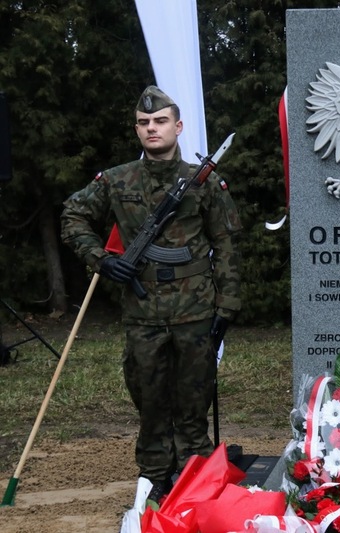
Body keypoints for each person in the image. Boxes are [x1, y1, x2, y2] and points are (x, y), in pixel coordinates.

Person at [61, 86, 243, 505]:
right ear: (136, 130)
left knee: (194, 397)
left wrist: (228, 305)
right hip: (143, 311)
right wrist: (101, 260)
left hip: (195, 310)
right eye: (143, 123)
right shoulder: (117, 180)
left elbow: (227, 244)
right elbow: (73, 215)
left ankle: (195, 475)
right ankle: (155, 476)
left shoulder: (204, 183)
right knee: (149, 397)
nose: (151, 128)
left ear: (178, 127)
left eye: (160, 121)